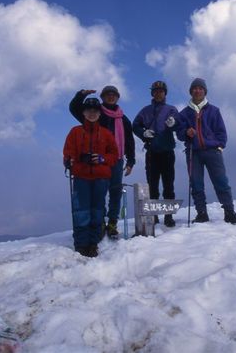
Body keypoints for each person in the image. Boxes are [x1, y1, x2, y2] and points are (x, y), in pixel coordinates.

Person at [69, 86, 136, 238]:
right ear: (103, 97)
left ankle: (112, 222)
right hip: (97, 161)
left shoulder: (123, 119)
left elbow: (129, 141)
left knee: (115, 191)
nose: (111, 97)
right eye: (107, 94)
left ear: (117, 97)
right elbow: (74, 109)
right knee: (99, 192)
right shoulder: (95, 113)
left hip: (116, 160)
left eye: (113, 95)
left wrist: (131, 161)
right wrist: (80, 95)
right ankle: (100, 222)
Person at [177, 77, 236, 224]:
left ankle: (229, 212)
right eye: (195, 88)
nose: (197, 90)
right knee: (196, 183)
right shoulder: (184, 113)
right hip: (193, 152)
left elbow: (221, 132)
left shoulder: (214, 111)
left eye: (200, 88)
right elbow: (179, 134)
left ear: (205, 91)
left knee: (221, 182)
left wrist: (219, 146)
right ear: (191, 91)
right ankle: (202, 213)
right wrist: (186, 132)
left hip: (213, 151)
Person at [63, 97, 119, 257]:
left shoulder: (107, 134)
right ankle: (81, 244)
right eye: (89, 110)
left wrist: (102, 159)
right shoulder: (75, 132)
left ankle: (93, 243)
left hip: (101, 178)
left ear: (100, 114)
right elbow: (68, 152)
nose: (92, 113)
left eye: (95, 111)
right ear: (84, 113)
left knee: (97, 211)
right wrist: (69, 160)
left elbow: (114, 155)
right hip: (81, 177)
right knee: (81, 211)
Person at [132, 81, 179, 227]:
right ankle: (154, 216)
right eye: (155, 91)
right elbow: (135, 125)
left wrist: (174, 123)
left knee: (168, 185)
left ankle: (168, 216)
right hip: (152, 153)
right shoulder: (145, 111)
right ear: (152, 93)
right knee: (152, 186)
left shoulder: (171, 109)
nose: (158, 93)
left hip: (167, 152)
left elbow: (179, 123)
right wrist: (143, 133)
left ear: (165, 93)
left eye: (161, 91)